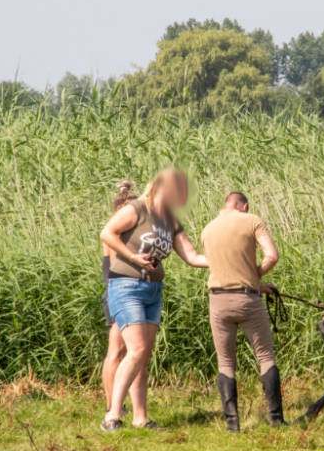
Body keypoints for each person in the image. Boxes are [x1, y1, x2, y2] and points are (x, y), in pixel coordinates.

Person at [98, 168, 208, 430]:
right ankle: (112, 415)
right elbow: (107, 233)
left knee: (143, 355)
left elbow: (193, 257)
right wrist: (133, 257)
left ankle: (141, 417)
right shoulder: (138, 208)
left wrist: (229, 258)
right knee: (135, 350)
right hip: (126, 286)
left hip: (152, 291)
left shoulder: (171, 221)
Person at [200, 192, 283, 432]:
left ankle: (232, 424)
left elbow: (224, 267)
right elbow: (272, 256)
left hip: (218, 302)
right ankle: (276, 419)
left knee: (225, 362)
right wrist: (256, 277)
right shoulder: (251, 220)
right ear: (243, 206)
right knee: (266, 357)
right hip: (248, 301)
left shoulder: (208, 229)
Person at [100, 180, 139, 414]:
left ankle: (117, 404)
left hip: (119, 292)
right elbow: (118, 266)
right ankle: (111, 405)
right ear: (119, 210)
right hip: (117, 292)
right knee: (116, 351)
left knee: (122, 350)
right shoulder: (115, 232)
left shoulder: (122, 230)